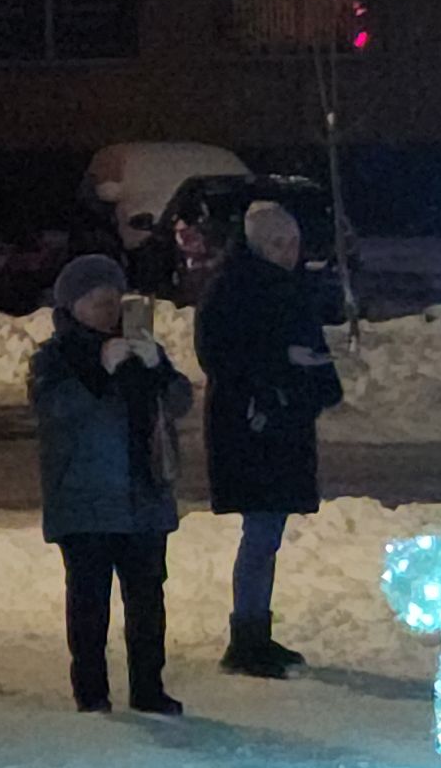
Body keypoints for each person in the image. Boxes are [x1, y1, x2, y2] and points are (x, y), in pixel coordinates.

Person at [30, 254, 193, 716]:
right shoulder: (56, 358)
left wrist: (157, 367)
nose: (108, 311)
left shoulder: (140, 345)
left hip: (143, 497)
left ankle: (148, 688)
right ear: (73, 306)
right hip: (85, 501)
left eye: (113, 301)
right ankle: (92, 693)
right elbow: (53, 412)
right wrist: (99, 371)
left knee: (147, 601)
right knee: (89, 603)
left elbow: (179, 401)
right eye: (97, 302)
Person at [198, 202, 344, 679]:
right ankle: (247, 638)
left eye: (294, 244)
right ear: (259, 246)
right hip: (252, 424)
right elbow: (221, 356)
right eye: (278, 245)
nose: (288, 253)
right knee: (260, 532)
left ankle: (255, 632)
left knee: (267, 532)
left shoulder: (286, 287)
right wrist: (280, 371)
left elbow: (307, 348)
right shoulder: (234, 288)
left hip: (277, 422)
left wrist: (309, 376)